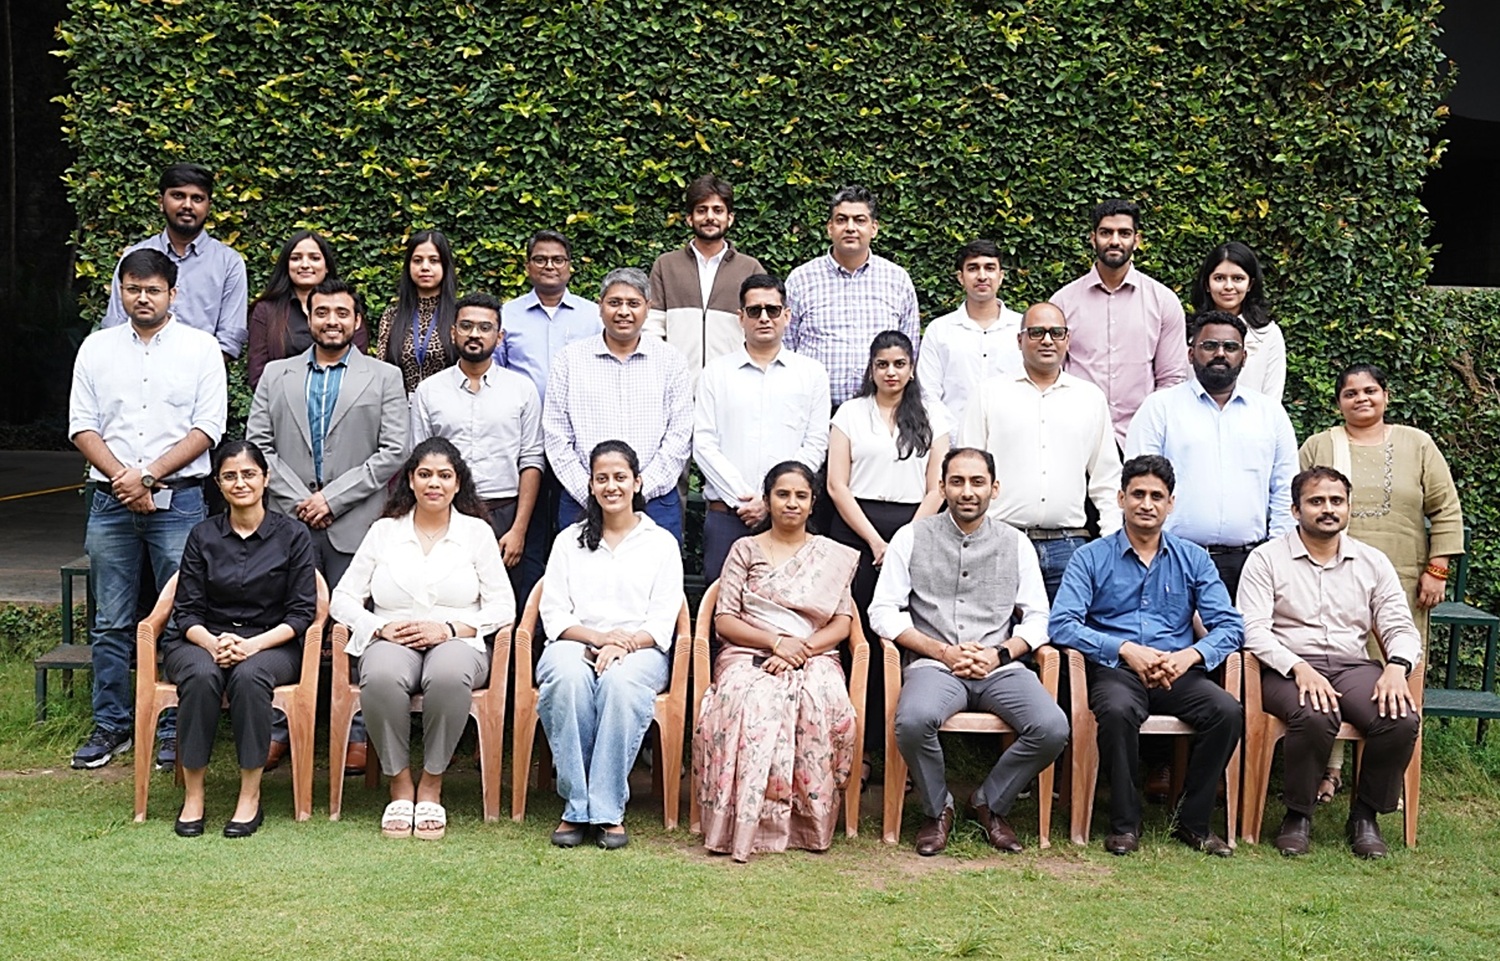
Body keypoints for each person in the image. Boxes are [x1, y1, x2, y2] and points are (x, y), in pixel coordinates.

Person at [69, 249, 226, 771]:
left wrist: (150, 475)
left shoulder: (200, 349)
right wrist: (127, 480)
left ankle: (173, 726)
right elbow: (81, 425)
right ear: (120, 291)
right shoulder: (96, 348)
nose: (143, 298)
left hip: (179, 501)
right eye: (133, 288)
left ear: (172, 293)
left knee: (182, 617)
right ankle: (111, 724)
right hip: (110, 502)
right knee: (111, 620)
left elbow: (208, 427)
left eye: (153, 289)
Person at [869, 448, 1070, 856]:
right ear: (941, 487)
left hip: (1000, 667)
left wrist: (1001, 653)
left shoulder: (1016, 543)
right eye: (957, 482)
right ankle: (937, 808)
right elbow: (882, 611)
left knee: (1052, 727)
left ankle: (990, 802)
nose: (967, 491)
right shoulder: (911, 536)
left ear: (994, 488)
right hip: (934, 665)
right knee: (914, 721)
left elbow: (1038, 617)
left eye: (977, 482)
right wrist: (941, 652)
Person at [247, 277, 407, 774]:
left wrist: (332, 499)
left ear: (357, 321)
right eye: (322, 313)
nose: (331, 321)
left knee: (356, 627)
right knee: (282, 623)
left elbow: (394, 450)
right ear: (309, 318)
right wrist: (303, 500)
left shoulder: (385, 377)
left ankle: (358, 732)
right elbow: (259, 446)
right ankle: (279, 728)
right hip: (289, 522)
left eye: (342, 313)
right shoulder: (276, 375)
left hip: (355, 524)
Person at [1050, 455, 1244, 857]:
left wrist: (1190, 656)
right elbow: (1062, 624)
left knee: (1226, 711)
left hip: (1178, 671)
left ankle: (1193, 821)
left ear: (1171, 503)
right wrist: (1124, 648)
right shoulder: (1090, 557)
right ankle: (1125, 823)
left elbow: (1231, 626)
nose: (1146, 504)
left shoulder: (1193, 558)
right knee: (1117, 711)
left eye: (1157, 496)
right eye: (1138, 494)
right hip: (1116, 669)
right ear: (1121, 498)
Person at [329, 437, 514, 840]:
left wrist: (449, 629)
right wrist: (378, 627)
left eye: (444, 476)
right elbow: (341, 599)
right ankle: (399, 784)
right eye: (425, 474)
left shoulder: (477, 533)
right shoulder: (384, 531)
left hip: (457, 639)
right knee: (380, 676)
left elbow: (504, 606)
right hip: (392, 637)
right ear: (410, 480)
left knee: (447, 675)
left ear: (458, 483)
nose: (434, 483)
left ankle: (431, 783)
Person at [1237, 467, 1422, 859]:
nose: (1328, 509)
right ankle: (1298, 815)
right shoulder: (1266, 559)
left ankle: (1365, 816)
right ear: (1295, 509)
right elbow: (1252, 629)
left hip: (1351, 666)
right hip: (1287, 668)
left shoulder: (1372, 562)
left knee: (1399, 717)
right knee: (1315, 713)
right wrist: (1299, 668)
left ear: (1348, 507)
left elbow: (1400, 626)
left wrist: (1396, 666)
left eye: (1336, 501)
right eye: (1316, 501)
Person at [1298, 362, 1462, 802]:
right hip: (1332, 578)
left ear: (1386, 396)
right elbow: (1296, 504)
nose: (1361, 399)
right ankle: (1331, 770)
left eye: (1370, 390)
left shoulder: (1417, 443)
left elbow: (1445, 507)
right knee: (1338, 665)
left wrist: (1438, 569)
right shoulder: (1320, 445)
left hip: (1404, 580)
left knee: (1394, 671)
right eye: (1350, 393)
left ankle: (1385, 777)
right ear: (1338, 402)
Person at [693, 461, 860, 862]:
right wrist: (775, 642)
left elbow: (842, 623)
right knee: (747, 698)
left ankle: (807, 824)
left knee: (820, 696)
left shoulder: (829, 556)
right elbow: (724, 619)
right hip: (749, 651)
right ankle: (744, 822)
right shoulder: (745, 549)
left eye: (801, 496)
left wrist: (799, 650)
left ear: (813, 503)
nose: (791, 503)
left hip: (814, 653)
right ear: (767, 500)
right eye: (782, 494)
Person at [164, 440, 318, 838]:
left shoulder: (294, 535)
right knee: (201, 676)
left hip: (272, 643)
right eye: (230, 476)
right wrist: (213, 643)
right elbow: (186, 611)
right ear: (218, 483)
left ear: (265, 479)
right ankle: (194, 795)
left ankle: (250, 794)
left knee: (250, 677)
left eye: (249, 474)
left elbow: (301, 614)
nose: (240, 483)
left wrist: (251, 646)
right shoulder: (202, 535)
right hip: (201, 639)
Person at [537, 441, 683, 850]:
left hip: (641, 650)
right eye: (602, 478)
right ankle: (575, 805)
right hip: (575, 641)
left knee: (619, 684)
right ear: (590, 485)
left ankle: (605, 809)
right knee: (567, 680)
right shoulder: (569, 540)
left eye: (620, 477)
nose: (611, 486)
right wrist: (598, 639)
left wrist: (626, 644)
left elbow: (662, 619)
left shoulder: (660, 543)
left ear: (637, 482)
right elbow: (554, 612)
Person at [827, 329, 951, 776]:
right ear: (871, 368)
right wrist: (876, 542)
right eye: (882, 364)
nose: (891, 372)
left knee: (903, 635)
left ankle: (901, 751)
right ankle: (853, 748)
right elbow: (836, 485)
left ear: (911, 368)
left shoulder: (934, 415)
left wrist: (902, 542)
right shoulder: (850, 413)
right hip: (855, 531)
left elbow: (938, 487)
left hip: (915, 528)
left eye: (899, 364)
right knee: (854, 635)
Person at [1124, 310, 1297, 599]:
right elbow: (1138, 485)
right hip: (1172, 560)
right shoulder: (1159, 408)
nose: (1220, 354)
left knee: (1249, 631)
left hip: (1251, 565)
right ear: (1191, 354)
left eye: (1230, 347)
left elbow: (1284, 489)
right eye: (1209, 345)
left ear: (1244, 357)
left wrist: (1275, 557)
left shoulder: (1270, 414)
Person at [961, 302, 1121, 600]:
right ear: (1019, 339)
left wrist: (1110, 543)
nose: (1047, 340)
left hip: (1070, 546)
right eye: (1036, 332)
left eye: (1056, 333)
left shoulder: (1089, 398)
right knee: (995, 627)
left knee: (1069, 628)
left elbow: (1107, 479)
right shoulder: (989, 394)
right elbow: (967, 473)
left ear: (1067, 340)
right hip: (1001, 540)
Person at [692, 273, 831, 582]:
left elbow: (815, 443)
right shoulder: (716, 373)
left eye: (773, 309)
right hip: (728, 514)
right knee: (723, 604)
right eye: (754, 310)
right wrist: (746, 500)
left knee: (791, 604)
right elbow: (703, 444)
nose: (764, 318)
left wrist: (771, 501)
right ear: (741, 317)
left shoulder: (811, 374)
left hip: (790, 519)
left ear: (787, 315)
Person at [411, 291, 543, 606]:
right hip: (446, 512)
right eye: (466, 326)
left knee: (504, 606)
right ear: (452, 332)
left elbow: (531, 461)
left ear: (499, 337)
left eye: (485, 328)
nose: (475, 334)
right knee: (447, 600)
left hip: (504, 513)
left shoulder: (522, 390)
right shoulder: (429, 391)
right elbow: (418, 462)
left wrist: (519, 529)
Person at [543, 268, 692, 542]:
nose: (624, 311)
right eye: (614, 303)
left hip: (654, 501)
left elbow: (679, 435)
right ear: (600, 307)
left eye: (633, 303)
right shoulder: (569, 361)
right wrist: (592, 490)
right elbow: (556, 436)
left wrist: (638, 489)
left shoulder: (671, 361)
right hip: (583, 501)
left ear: (648, 308)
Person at [499, 230, 602, 601]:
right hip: (524, 441)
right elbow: (497, 374)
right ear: (528, 266)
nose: (549, 266)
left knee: (574, 528)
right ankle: (529, 619)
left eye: (558, 260)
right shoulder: (507, 314)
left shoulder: (593, 316)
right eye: (540, 259)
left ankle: (571, 606)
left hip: (578, 441)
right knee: (530, 530)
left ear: (570, 267)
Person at [1049, 198, 1188, 446]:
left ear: (1137, 239)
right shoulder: (1062, 302)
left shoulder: (1163, 301)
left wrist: (1149, 428)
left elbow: (1171, 379)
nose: (1115, 241)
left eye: (1124, 233)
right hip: (1077, 437)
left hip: (1141, 438)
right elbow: (1050, 373)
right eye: (1106, 233)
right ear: (1093, 238)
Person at [785, 184, 922, 407]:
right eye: (841, 220)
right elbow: (785, 347)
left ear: (874, 228)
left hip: (879, 411)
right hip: (814, 410)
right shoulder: (801, 280)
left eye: (859, 220)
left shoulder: (897, 280)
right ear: (830, 228)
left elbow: (909, 350)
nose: (850, 228)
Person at [101, 163, 248, 361]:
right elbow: (115, 327)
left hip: (200, 374)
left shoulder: (228, 263)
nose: (187, 205)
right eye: (178, 196)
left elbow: (229, 339)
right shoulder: (134, 256)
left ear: (208, 206)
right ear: (161, 201)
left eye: (197, 198)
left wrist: (194, 372)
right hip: (136, 370)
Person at [644, 174, 766, 381]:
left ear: (730, 218)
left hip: (733, 385)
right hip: (676, 385)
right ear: (689, 218)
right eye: (702, 210)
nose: (710, 217)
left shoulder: (750, 268)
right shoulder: (666, 265)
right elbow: (652, 328)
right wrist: (663, 373)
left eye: (718, 210)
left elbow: (761, 330)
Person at [916, 239, 1023, 428]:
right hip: (952, 440)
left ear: (1001, 276)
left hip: (1012, 437)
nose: (982, 276)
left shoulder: (1022, 328)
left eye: (990, 268)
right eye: (973, 268)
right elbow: (928, 394)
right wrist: (956, 436)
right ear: (961, 277)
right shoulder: (939, 330)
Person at [246, 230, 368, 389]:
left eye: (314, 258)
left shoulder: (346, 305)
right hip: (283, 400)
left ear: (327, 266)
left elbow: (359, 369)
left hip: (342, 399)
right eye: (296, 258)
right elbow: (258, 376)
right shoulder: (266, 311)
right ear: (286, 265)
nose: (305, 264)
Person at [1189, 241, 1285, 402]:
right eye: (1219, 278)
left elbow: (1272, 398)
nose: (1228, 286)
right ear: (1207, 284)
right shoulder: (1189, 331)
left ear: (1250, 284)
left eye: (1237, 278)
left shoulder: (1267, 334)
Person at [376, 229, 459, 393]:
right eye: (417, 260)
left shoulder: (459, 316)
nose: (425, 267)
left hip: (446, 405)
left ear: (445, 265)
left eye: (434, 260)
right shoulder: (391, 316)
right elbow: (381, 372)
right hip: (400, 406)